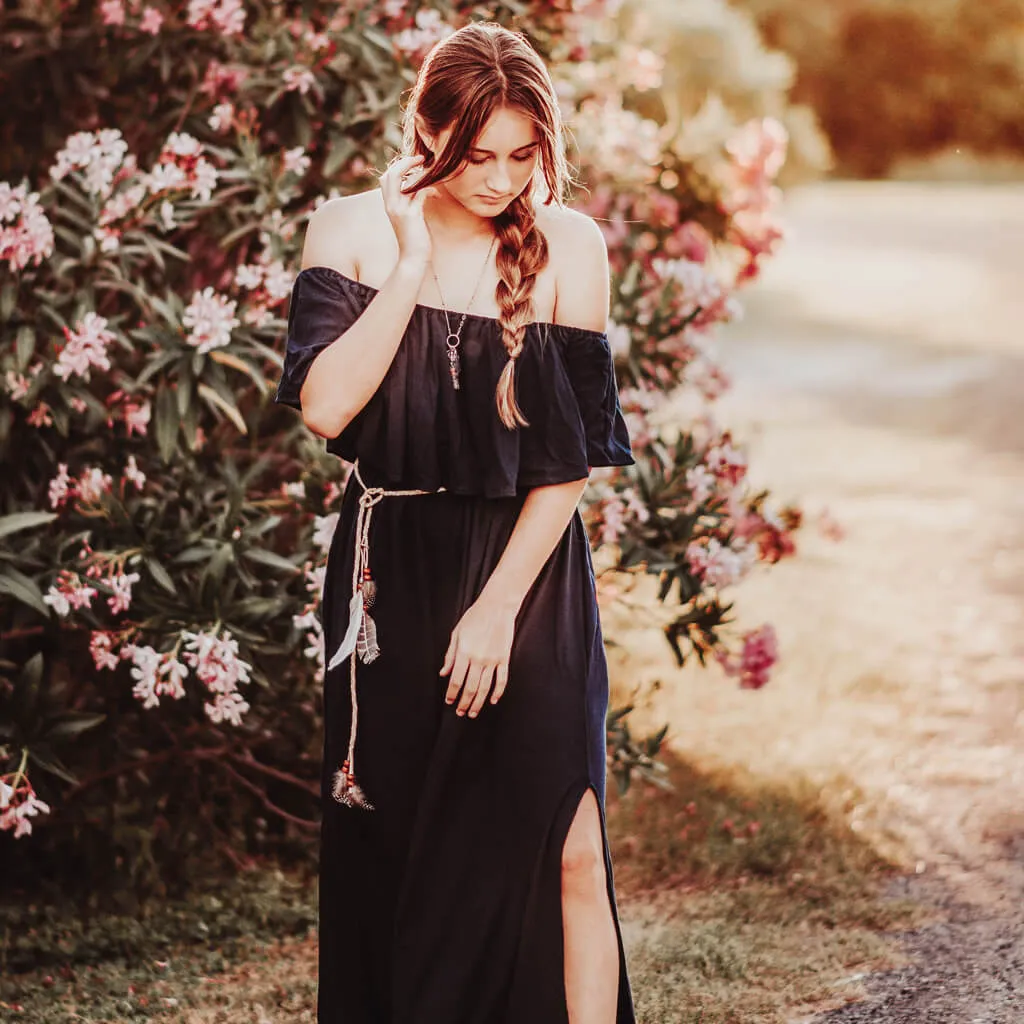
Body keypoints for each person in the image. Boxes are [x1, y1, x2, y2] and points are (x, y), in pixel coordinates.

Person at [275, 21, 637, 1024]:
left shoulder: (569, 244)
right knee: (404, 856)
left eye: (523, 155)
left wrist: (495, 611)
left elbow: (569, 460)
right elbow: (326, 410)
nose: (500, 179)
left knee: (567, 841)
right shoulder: (348, 230)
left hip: (529, 577)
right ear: (427, 132)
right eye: (478, 155)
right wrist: (405, 263)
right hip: (391, 573)